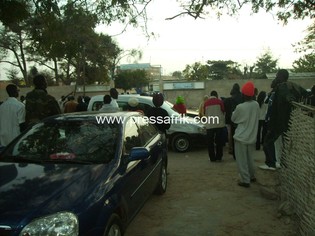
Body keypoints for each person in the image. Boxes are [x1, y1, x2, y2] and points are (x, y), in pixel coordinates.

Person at [260, 69, 309, 171]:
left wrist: (290, 100)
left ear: (281, 76)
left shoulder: (283, 87)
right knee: (282, 143)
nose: (276, 77)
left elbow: (287, 96)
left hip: (278, 120)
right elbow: (306, 94)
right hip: (287, 120)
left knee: (267, 142)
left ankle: (271, 164)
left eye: (277, 75)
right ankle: (281, 163)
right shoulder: (293, 85)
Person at [231, 81, 260, 187]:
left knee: (241, 160)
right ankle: (252, 176)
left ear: (243, 94)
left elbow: (233, 119)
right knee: (249, 158)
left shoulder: (240, 107)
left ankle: (245, 180)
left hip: (241, 137)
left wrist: (234, 113)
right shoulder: (256, 105)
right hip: (251, 137)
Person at [204, 90, 225, 162]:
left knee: (210, 142)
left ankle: (212, 158)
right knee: (219, 142)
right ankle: (219, 157)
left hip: (210, 125)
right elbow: (223, 110)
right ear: (216, 95)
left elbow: (204, 113)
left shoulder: (206, 103)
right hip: (219, 125)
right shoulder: (220, 102)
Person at [223, 83, 243, 158]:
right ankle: (240, 153)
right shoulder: (242, 97)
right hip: (241, 120)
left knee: (232, 136)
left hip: (232, 120)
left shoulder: (229, 99)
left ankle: (234, 153)